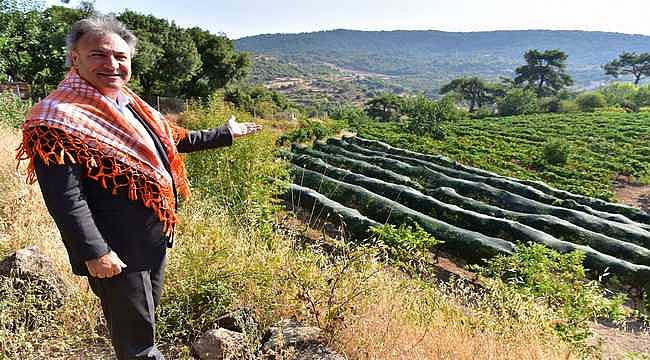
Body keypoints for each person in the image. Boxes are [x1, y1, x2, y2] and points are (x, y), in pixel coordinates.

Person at [16, 16, 261, 359]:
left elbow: (173, 142)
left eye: (120, 56)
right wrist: (94, 252)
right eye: (99, 55)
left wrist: (226, 134)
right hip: (117, 249)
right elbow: (65, 197)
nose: (112, 64)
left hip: (152, 239)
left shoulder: (128, 104)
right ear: (75, 58)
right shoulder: (56, 118)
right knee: (140, 344)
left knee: (141, 319)